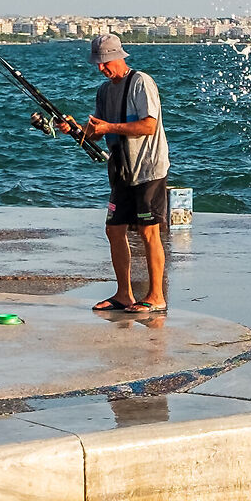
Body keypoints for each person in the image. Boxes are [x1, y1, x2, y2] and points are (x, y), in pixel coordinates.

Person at [61, 32, 170, 314]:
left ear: (117, 56)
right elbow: (94, 133)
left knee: (149, 232)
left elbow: (148, 126)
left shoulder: (141, 83)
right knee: (113, 229)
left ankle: (156, 296)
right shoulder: (104, 91)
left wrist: (108, 128)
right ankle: (124, 295)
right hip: (121, 170)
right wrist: (75, 129)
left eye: (104, 62)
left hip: (148, 170)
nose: (100, 68)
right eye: (98, 63)